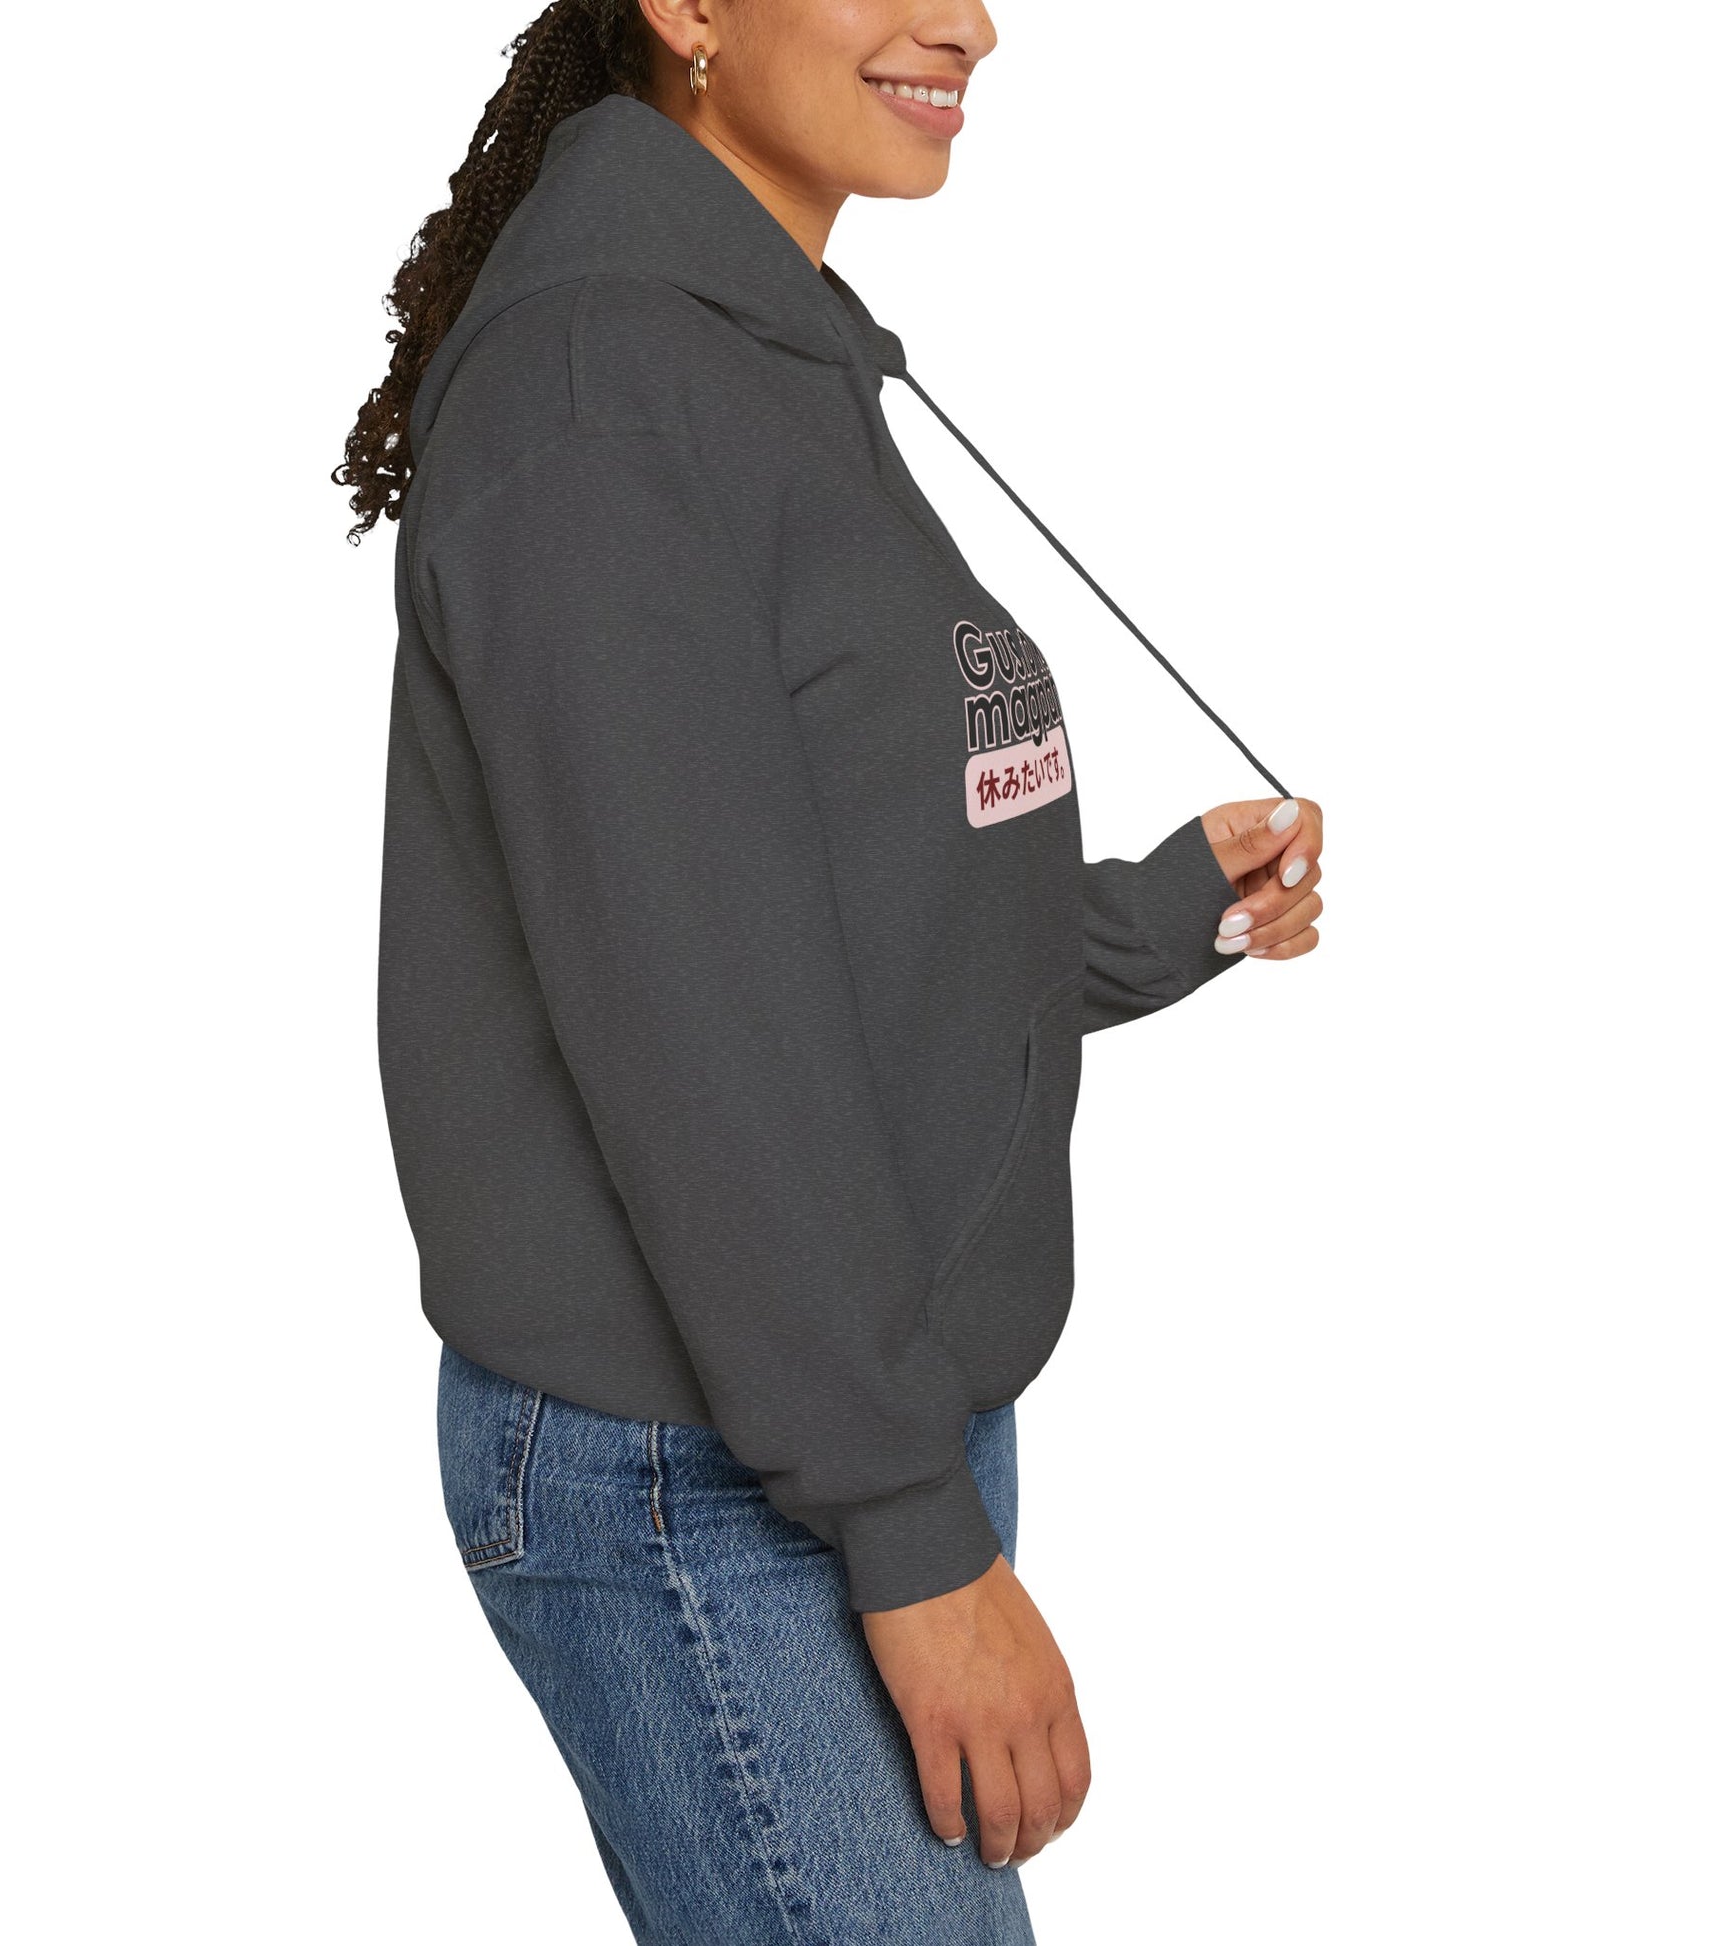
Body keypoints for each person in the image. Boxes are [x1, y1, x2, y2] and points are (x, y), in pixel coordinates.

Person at [336, 4, 1325, 1939]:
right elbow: (695, 1028)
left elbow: (825, 900)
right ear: (687, 8)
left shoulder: (747, 346)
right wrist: (910, 1535)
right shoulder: (600, 394)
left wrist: (1157, 915)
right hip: (707, 1464)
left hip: (834, 1402)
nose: (966, 23)